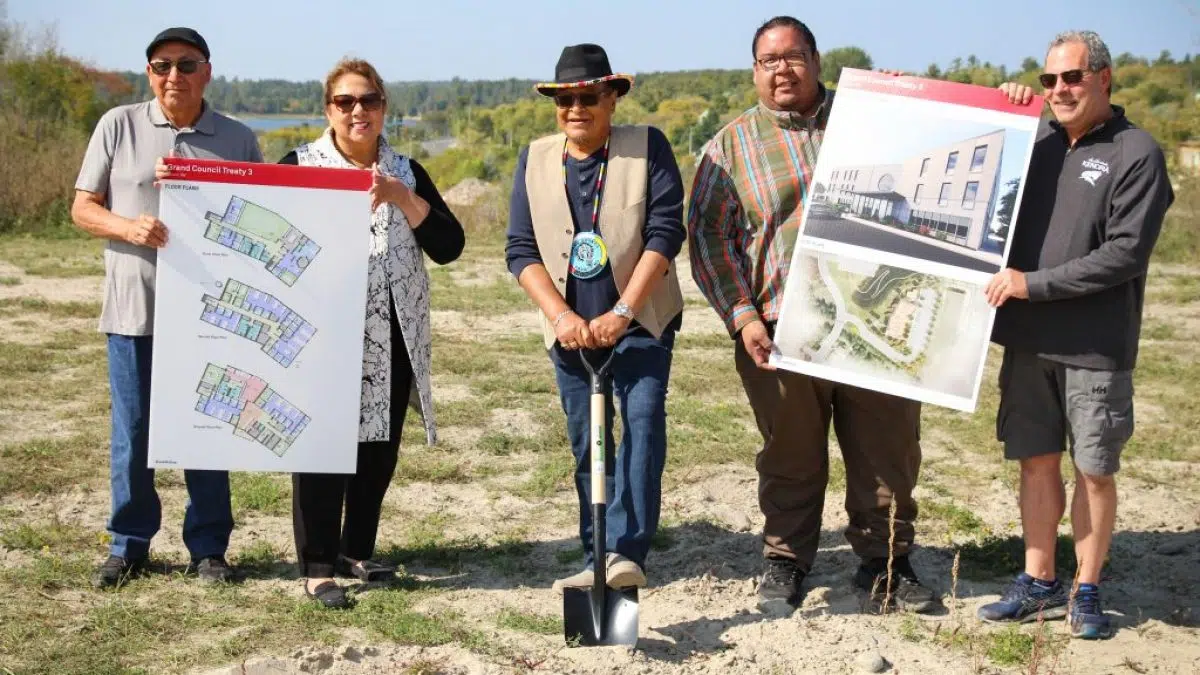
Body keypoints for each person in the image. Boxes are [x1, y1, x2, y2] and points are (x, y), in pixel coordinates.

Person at [687, 16, 935, 613]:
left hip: (878, 318)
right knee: (790, 455)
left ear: (818, 60)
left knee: (887, 450)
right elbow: (708, 242)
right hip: (779, 333)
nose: (782, 70)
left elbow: (934, 154)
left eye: (793, 56)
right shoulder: (730, 146)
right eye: (768, 61)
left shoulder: (869, 122)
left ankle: (887, 564)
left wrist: (905, 104)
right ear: (754, 71)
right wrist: (743, 317)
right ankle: (785, 561)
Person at [979, 31, 1173, 639]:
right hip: (1027, 341)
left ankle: (1086, 590)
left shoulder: (1135, 152)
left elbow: (1124, 254)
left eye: (1073, 78)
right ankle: (1039, 581)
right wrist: (1005, 108)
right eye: (1048, 80)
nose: (1059, 90)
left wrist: (1031, 285)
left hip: (1094, 344)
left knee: (1094, 470)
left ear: (1104, 78)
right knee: (1036, 463)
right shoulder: (1035, 141)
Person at [72, 27, 262, 589]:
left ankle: (209, 549)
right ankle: (127, 546)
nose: (173, 76)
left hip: (211, 318)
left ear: (207, 70)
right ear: (149, 72)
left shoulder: (237, 137)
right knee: (133, 432)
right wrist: (128, 227)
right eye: (161, 66)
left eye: (185, 64)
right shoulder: (118, 125)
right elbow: (83, 208)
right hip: (135, 310)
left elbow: (260, 216)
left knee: (206, 429)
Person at [277, 59, 464, 608]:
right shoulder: (300, 165)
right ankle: (316, 565)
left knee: (379, 447)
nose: (358, 112)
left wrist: (403, 197)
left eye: (369, 101)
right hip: (322, 334)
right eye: (345, 102)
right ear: (328, 110)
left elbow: (449, 246)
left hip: (394, 330)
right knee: (322, 447)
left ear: (384, 107)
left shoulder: (408, 169)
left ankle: (355, 550)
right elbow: (254, 227)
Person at [504, 44, 685, 593]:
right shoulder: (535, 159)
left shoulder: (647, 147)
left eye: (587, 97)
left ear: (612, 98)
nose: (574, 108)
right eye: (564, 99)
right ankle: (595, 552)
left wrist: (624, 310)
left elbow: (664, 233)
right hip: (571, 334)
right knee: (590, 443)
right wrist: (560, 316)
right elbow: (520, 249)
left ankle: (627, 553)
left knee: (643, 428)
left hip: (641, 322)